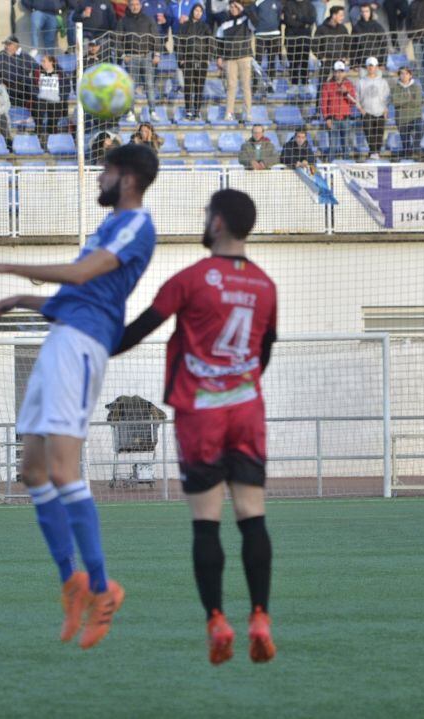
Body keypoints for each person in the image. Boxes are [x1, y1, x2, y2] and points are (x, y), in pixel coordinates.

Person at [0, 144, 160, 650]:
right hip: (61, 338)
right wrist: (23, 299)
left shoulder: (137, 224)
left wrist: (9, 268)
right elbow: (76, 292)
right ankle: (72, 583)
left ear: (128, 179)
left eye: (106, 171)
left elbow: (82, 276)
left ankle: (103, 588)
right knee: (32, 471)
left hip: (82, 345)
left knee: (65, 471)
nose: (98, 178)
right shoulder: (105, 228)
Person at [114, 188, 278, 666]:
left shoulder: (190, 279)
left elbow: (136, 332)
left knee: (206, 522)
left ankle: (217, 621)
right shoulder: (265, 285)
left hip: (201, 414)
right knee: (252, 515)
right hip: (246, 409)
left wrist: (88, 339)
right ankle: (260, 617)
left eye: (207, 215)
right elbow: (264, 351)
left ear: (219, 222)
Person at [118, 0, 163, 109]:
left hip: (146, 57)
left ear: (140, 5)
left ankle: (152, 111)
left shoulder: (148, 19)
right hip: (131, 58)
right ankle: (130, 112)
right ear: (129, 6)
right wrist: (123, 55)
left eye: (137, 4)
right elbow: (117, 39)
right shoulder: (123, 21)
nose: (135, 7)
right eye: (132, 5)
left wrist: (157, 54)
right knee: (131, 86)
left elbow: (156, 37)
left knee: (149, 85)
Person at [215, 1, 255, 124]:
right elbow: (219, 41)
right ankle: (229, 113)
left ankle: (248, 112)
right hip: (230, 58)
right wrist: (219, 57)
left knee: (246, 86)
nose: (233, 8)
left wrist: (243, 9)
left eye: (236, 6)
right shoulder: (224, 22)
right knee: (231, 86)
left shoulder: (246, 19)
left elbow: (256, 21)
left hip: (244, 56)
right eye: (231, 6)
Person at [177, 2, 214, 120]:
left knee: (199, 87)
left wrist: (208, 58)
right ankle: (188, 111)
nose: (198, 13)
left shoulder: (205, 26)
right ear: (192, 11)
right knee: (188, 87)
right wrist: (181, 58)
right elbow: (179, 43)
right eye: (196, 10)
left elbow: (210, 42)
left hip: (202, 60)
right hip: (187, 60)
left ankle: (197, 112)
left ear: (202, 13)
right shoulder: (184, 26)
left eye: (200, 11)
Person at [354, 56, 389, 159]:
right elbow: (356, 97)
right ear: (366, 67)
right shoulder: (361, 82)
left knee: (379, 135)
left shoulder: (383, 82)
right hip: (367, 112)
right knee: (369, 135)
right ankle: (374, 153)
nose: (371, 68)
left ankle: (374, 154)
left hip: (380, 112)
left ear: (376, 67)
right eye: (369, 66)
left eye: (373, 66)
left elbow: (387, 97)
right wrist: (361, 109)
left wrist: (385, 110)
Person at [320, 61, 356, 160]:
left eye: (341, 71)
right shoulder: (327, 85)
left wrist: (346, 93)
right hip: (333, 119)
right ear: (333, 72)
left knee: (346, 146)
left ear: (344, 72)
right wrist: (327, 118)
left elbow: (353, 102)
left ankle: (346, 165)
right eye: (336, 72)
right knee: (333, 146)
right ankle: (331, 165)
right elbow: (324, 103)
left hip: (345, 119)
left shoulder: (349, 84)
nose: (338, 74)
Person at [282, 0, 316, 99]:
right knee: (293, 63)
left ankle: (305, 84)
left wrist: (297, 17)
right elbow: (288, 21)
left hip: (305, 39)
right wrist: (303, 23)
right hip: (291, 39)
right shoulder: (288, 5)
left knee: (304, 63)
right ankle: (294, 85)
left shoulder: (309, 5)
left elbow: (312, 19)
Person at [32, 54, 68, 144]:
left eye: (44, 61)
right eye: (42, 61)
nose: (42, 63)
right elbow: (32, 86)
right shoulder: (37, 73)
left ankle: (52, 141)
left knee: (53, 123)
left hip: (55, 101)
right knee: (38, 117)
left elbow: (66, 87)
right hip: (42, 100)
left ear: (51, 62)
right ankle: (38, 139)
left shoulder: (60, 73)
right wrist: (36, 95)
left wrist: (61, 98)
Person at [391, 65, 423, 159]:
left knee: (420, 128)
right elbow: (395, 102)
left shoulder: (416, 87)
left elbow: (417, 102)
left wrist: (402, 101)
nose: (404, 75)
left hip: (415, 117)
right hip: (401, 119)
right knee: (406, 150)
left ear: (410, 75)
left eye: (406, 73)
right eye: (402, 73)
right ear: (399, 75)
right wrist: (409, 99)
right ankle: (409, 152)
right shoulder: (395, 88)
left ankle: (415, 148)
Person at [313, 6, 351, 77]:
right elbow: (314, 45)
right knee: (323, 81)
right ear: (334, 15)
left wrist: (345, 56)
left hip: (340, 61)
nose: (343, 18)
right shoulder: (321, 29)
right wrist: (321, 57)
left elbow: (348, 43)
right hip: (326, 62)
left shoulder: (343, 28)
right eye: (341, 15)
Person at [351, 4, 387, 71]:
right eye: (363, 11)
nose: (364, 14)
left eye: (367, 11)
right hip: (362, 62)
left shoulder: (377, 26)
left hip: (376, 62)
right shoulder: (356, 27)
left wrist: (383, 63)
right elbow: (353, 47)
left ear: (371, 12)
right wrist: (353, 64)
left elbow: (384, 45)